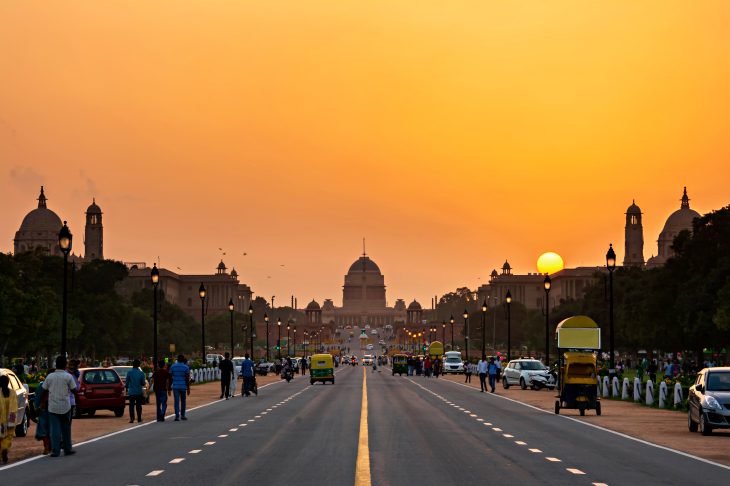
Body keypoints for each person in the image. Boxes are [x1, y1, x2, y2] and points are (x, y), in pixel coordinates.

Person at [42, 355, 78, 457]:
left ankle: (55, 451)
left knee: (55, 429)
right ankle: (67, 449)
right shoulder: (68, 376)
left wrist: (43, 403)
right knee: (66, 428)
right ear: (65, 365)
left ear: (56, 365)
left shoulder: (50, 377)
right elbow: (74, 389)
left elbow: (44, 390)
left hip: (53, 406)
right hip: (65, 406)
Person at [34, 368, 53, 454]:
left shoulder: (42, 385)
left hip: (44, 409)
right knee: (53, 428)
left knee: (43, 429)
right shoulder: (56, 384)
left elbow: (37, 398)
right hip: (54, 410)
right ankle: (52, 446)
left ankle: (46, 447)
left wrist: (37, 407)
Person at [1, 374, 18, 463]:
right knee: (9, 436)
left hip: (1, 420)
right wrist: (11, 420)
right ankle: (5, 448)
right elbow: (15, 406)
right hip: (11, 418)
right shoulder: (12, 392)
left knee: (1, 437)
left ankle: (1, 452)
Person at [169, 355, 190, 421]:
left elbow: (170, 378)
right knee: (183, 401)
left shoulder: (173, 366)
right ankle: (183, 415)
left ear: (177, 359)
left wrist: (169, 387)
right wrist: (188, 388)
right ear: (183, 359)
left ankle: (177, 416)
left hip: (175, 386)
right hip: (183, 386)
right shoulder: (186, 367)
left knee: (176, 401)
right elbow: (187, 379)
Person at [126, 359, 147, 423]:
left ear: (133, 364)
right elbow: (143, 383)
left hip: (131, 392)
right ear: (139, 365)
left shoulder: (129, 372)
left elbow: (127, 383)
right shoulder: (141, 373)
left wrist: (126, 388)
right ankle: (139, 418)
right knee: (138, 406)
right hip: (138, 391)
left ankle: (132, 418)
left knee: (131, 406)